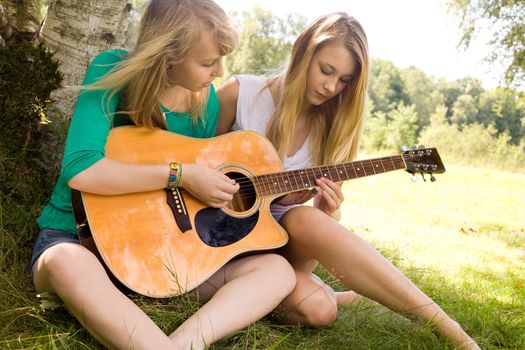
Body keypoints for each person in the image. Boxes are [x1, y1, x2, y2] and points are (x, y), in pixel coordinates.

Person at [31, 1, 297, 349]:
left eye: (221, 59)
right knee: (63, 262)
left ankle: (186, 342)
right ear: (167, 52)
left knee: (278, 271)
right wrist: (180, 175)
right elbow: (82, 170)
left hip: (156, 261)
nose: (219, 71)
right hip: (76, 239)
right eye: (207, 61)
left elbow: (189, 203)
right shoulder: (113, 69)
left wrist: (220, 192)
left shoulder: (207, 102)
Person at [217, 12, 479, 349]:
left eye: (344, 80)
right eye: (326, 70)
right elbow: (189, 156)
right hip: (211, 237)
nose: (331, 87)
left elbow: (306, 253)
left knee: (319, 309)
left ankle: (449, 330)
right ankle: (347, 296)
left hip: (272, 252)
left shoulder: (328, 128)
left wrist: (326, 212)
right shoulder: (241, 94)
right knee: (319, 301)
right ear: (303, 53)